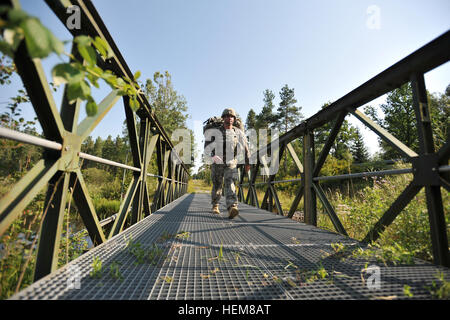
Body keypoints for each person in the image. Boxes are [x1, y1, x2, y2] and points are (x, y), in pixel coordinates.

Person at [204, 108, 251, 219]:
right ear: (223, 118)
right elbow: (207, 147)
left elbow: (246, 148)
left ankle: (232, 207)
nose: (229, 118)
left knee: (230, 184)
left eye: (231, 117)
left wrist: (248, 162)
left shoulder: (238, 132)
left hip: (231, 162)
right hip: (217, 162)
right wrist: (213, 156)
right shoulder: (216, 131)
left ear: (234, 119)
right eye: (227, 116)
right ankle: (215, 205)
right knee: (217, 184)